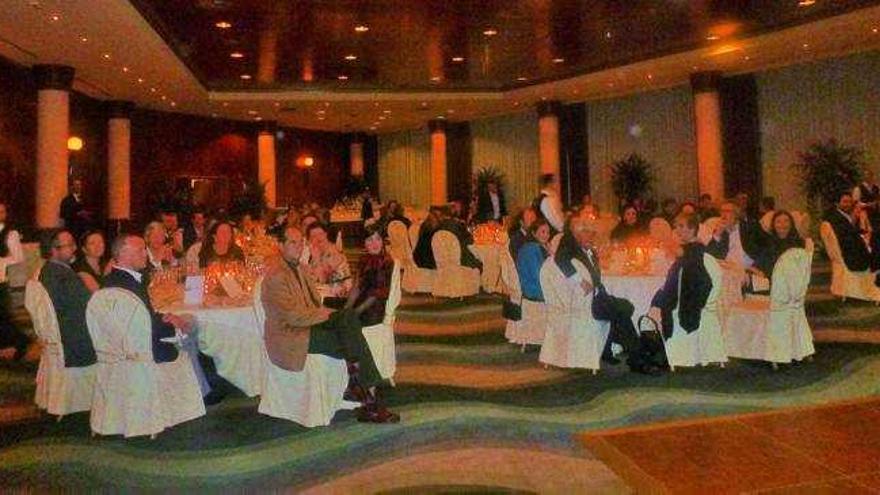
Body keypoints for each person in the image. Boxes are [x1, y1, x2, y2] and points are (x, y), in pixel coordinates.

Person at [262, 226, 399, 423]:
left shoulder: (298, 267)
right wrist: (326, 314)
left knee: (348, 320)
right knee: (349, 333)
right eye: (293, 242)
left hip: (306, 325)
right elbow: (293, 317)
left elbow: (315, 301)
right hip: (291, 335)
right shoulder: (277, 274)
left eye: (301, 242)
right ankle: (369, 397)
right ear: (280, 245)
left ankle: (362, 392)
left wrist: (327, 312)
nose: (299, 246)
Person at [105, 234, 228, 404]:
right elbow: (141, 324)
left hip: (134, 339)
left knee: (189, 321)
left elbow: (139, 316)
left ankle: (201, 383)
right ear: (124, 254)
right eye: (141, 250)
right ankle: (200, 390)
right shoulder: (126, 287)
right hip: (144, 347)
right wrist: (173, 325)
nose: (145, 255)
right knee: (189, 327)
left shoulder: (115, 279)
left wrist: (165, 317)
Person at [554, 216, 659, 375]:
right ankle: (637, 357)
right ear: (573, 232)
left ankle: (612, 349)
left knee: (624, 309)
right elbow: (560, 259)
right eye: (584, 230)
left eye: (589, 230)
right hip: (587, 302)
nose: (589, 233)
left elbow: (594, 269)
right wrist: (579, 280)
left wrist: (596, 253)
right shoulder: (567, 242)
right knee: (622, 311)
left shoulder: (584, 245)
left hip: (598, 296)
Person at [647, 213, 713, 340]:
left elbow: (680, 253)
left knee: (656, 298)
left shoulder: (695, 248)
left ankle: (663, 339)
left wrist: (664, 237)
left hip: (685, 297)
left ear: (692, 229)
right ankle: (659, 338)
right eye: (677, 226)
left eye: (681, 226)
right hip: (680, 292)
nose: (677, 230)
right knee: (656, 297)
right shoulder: (690, 246)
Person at [38, 229, 97, 367]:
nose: (75, 248)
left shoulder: (50, 270)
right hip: (76, 342)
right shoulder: (62, 276)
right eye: (69, 245)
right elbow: (89, 305)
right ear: (54, 250)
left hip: (67, 335)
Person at [345, 226, 394, 326]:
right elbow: (356, 287)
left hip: (375, 307)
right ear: (364, 243)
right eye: (369, 239)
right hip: (362, 301)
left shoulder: (385, 261)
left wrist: (356, 311)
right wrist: (347, 308)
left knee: (344, 324)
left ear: (382, 241)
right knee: (337, 316)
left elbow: (377, 293)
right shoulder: (364, 259)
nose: (374, 243)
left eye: (378, 239)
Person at [824, 191, 880, 275]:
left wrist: (864, 235)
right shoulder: (837, 219)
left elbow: (850, 231)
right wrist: (866, 242)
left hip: (854, 254)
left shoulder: (840, 215)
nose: (848, 204)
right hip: (854, 259)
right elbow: (846, 240)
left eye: (850, 202)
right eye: (845, 202)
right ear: (837, 203)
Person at [0, 202, 29, 360]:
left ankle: (18, 343)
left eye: (2, 211)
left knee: (3, 315)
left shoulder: (10, 234)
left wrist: (2, 261)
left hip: (1, 279)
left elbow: (19, 257)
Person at [749, 210, 806, 284]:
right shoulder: (768, 244)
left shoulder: (799, 243)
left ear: (791, 224)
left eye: (786, 221)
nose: (782, 224)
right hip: (770, 284)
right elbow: (758, 265)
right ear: (773, 225)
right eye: (778, 222)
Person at [705, 202, 763, 267]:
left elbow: (764, 250)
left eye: (727, 211)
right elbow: (709, 256)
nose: (723, 214)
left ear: (736, 214)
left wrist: (757, 268)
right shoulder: (721, 230)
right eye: (722, 211)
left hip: (746, 269)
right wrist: (717, 235)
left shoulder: (749, 228)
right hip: (726, 269)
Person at [305, 223, 353, 299]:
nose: (318, 238)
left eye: (320, 234)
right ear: (309, 240)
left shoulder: (333, 252)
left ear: (326, 234)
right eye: (314, 236)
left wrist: (316, 259)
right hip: (324, 293)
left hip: (338, 296)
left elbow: (322, 279)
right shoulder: (317, 252)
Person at [436, 206, 483, 271]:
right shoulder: (458, 225)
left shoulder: (439, 226)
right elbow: (471, 241)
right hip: (465, 260)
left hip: (445, 263)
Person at [516, 218, 552, 302]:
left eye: (548, 232)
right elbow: (538, 275)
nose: (546, 235)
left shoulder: (535, 247)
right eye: (543, 232)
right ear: (534, 233)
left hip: (537, 287)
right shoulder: (531, 249)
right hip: (534, 290)